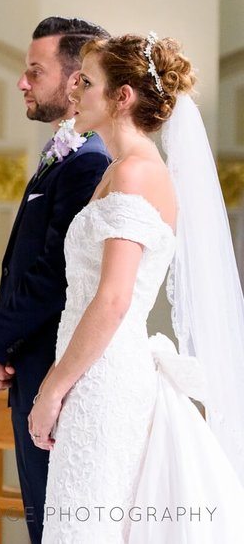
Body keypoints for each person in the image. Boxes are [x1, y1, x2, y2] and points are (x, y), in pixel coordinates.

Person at [29, 33, 244, 541]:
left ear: (121, 96)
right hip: (96, 371)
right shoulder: (121, 171)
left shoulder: (136, 175)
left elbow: (113, 298)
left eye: (86, 81)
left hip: (102, 377)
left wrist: (52, 390)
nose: (74, 91)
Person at [0, 17, 111, 542]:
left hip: (60, 376)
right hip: (32, 365)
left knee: (58, 523)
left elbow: (53, 275)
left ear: (77, 81)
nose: (21, 82)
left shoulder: (88, 163)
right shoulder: (63, 157)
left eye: (35, 70)